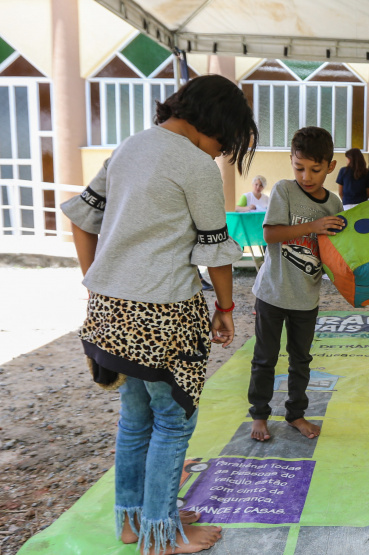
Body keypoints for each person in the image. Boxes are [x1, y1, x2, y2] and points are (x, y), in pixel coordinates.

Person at [61, 74, 258, 554]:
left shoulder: (130, 146)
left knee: (135, 417)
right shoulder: (196, 165)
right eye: (226, 143)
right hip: (165, 314)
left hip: (109, 311)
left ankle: (134, 521)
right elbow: (215, 251)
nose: (221, 153)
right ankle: (161, 532)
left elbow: (82, 219)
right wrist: (226, 308)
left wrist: (101, 280)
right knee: (173, 420)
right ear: (215, 123)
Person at [248, 127, 345, 442]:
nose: (306, 176)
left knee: (301, 360)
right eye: (299, 167)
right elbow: (270, 234)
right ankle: (259, 415)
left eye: (315, 169)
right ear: (291, 160)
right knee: (265, 358)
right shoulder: (284, 190)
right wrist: (313, 226)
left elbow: (335, 253)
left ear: (330, 166)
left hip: (306, 298)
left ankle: (295, 414)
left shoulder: (334, 203)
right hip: (272, 293)